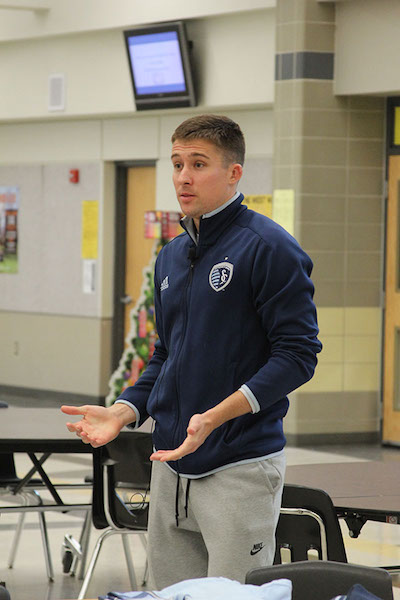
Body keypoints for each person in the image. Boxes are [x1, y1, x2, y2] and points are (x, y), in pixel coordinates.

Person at [61, 114, 322, 587]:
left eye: (199, 164)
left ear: (234, 172)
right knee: (171, 596)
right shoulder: (171, 255)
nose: (183, 176)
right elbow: (167, 354)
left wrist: (215, 416)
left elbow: (298, 355)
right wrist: (124, 411)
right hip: (171, 466)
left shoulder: (269, 248)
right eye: (177, 163)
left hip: (238, 465)